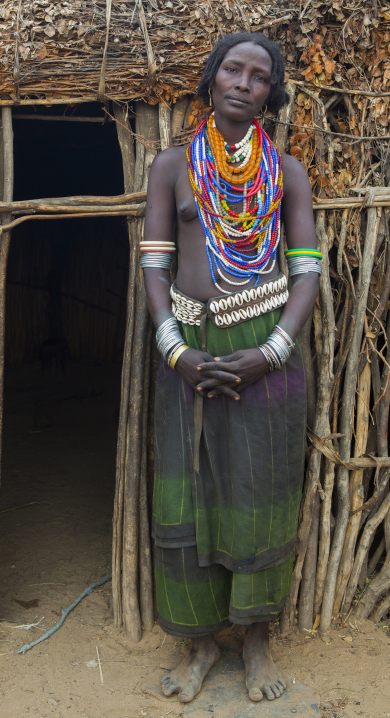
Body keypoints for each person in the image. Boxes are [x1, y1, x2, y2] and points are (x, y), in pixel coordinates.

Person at [141, 32, 320, 704]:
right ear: (213, 79)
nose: (245, 83)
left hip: (268, 345)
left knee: (260, 490)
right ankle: (197, 647)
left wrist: (271, 351)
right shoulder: (172, 167)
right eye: (233, 70)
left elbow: (306, 274)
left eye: (259, 75)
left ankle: (256, 644)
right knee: (187, 489)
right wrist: (177, 350)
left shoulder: (290, 173)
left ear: (271, 92)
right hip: (186, 341)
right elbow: (155, 266)